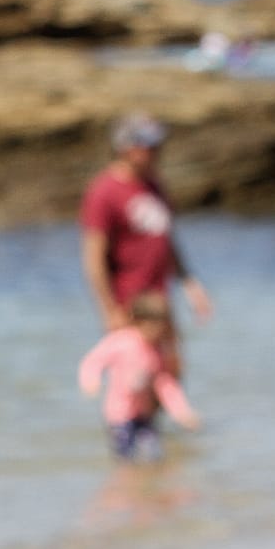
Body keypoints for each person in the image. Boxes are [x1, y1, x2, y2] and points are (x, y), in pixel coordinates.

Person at [79, 113, 212, 378]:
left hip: (161, 302)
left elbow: (165, 239)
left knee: (171, 375)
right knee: (134, 384)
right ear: (125, 147)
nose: (154, 151)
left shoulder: (154, 185)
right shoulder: (103, 192)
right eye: (146, 144)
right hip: (130, 306)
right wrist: (109, 310)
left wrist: (189, 282)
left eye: (156, 145)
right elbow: (94, 258)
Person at [77, 293, 200, 463]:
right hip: (119, 415)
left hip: (145, 414)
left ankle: (150, 478)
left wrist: (182, 413)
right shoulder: (121, 341)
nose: (159, 332)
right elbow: (93, 361)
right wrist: (91, 381)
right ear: (139, 321)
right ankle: (127, 478)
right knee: (125, 457)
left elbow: (166, 385)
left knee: (154, 455)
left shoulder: (157, 351)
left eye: (162, 327)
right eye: (154, 326)